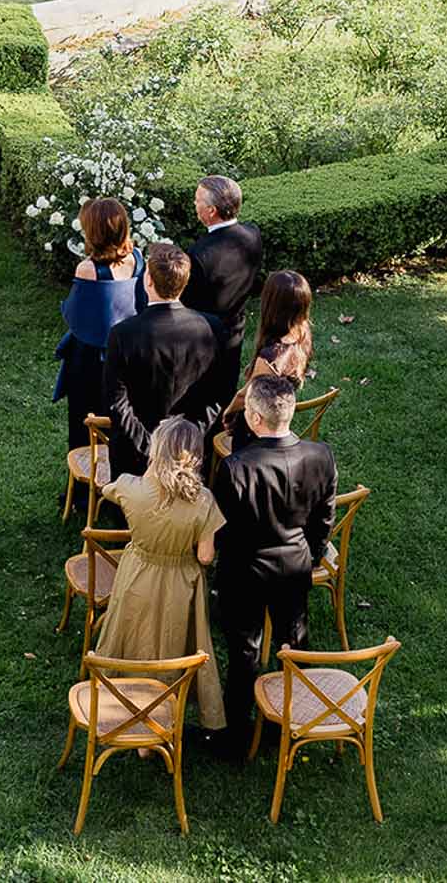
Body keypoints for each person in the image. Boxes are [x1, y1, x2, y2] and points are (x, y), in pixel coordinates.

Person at [210, 375, 338, 758]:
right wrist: (312, 553)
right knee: (293, 643)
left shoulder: (235, 468)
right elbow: (324, 519)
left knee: (244, 653)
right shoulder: (320, 456)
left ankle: (236, 737)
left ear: (253, 418)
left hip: (244, 571)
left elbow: (222, 530)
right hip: (294, 564)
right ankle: (290, 723)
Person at [93, 416, 226, 735]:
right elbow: (205, 556)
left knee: (131, 634)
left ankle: (122, 705)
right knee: (170, 642)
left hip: (137, 573)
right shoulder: (204, 500)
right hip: (181, 583)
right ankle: (160, 712)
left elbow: (104, 486)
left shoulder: (129, 486)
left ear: (156, 450)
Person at [101, 242, 223, 481]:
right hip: (191, 455)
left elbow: (116, 403)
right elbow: (217, 395)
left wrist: (150, 449)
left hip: (135, 459)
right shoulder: (213, 327)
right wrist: (187, 442)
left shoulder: (123, 333)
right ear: (184, 282)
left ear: (148, 281)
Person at [54, 198, 147, 451]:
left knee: (84, 418)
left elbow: (73, 315)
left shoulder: (87, 269)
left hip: (92, 356)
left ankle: (85, 483)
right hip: (129, 351)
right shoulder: (138, 259)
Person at [182, 175, 264, 413]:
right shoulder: (253, 235)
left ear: (211, 211)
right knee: (224, 392)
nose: (194, 205)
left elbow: (187, 302)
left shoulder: (199, 255)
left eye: (197, 201)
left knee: (199, 402)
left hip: (202, 339)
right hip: (235, 331)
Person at [217, 270, 313, 455]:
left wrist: (226, 413)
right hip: (280, 411)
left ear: (272, 306)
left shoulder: (270, 358)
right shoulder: (303, 331)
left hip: (259, 430)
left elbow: (243, 398)